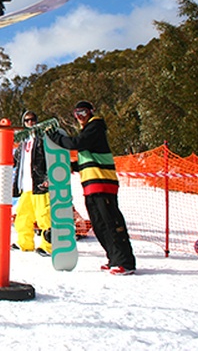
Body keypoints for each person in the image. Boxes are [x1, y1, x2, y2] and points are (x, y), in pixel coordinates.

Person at [47, 100, 136, 275]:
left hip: (103, 184)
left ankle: (126, 262)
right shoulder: (88, 129)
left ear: (91, 112)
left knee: (111, 222)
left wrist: (56, 138)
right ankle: (113, 258)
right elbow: (88, 157)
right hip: (91, 186)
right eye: (76, 114)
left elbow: (77, 143)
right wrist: (73, 166)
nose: (80, 117)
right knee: (99, 224)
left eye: (83, 113)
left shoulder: (95, 126)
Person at [12, 111, 52, 256]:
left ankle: (48, 245)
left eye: (33, 120)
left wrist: (47, 178)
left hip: (39, 182)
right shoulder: (23, 141)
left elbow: (50, 158)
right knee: (23, 215)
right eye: (27, 120)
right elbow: (15, 160)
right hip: (26, 184)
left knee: (44, 215)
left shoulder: (42, 138)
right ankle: (25, 242)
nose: (30, 123)